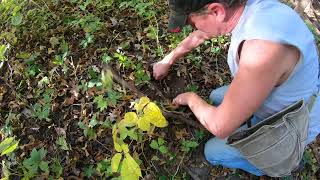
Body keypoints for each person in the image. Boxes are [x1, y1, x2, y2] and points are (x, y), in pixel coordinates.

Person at [153, 0, 320, 176]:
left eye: (192, 22)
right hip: (280, 97)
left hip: (292, 121)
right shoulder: (247, 8)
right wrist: (168, 59)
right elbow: (200, 35)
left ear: (216, 11)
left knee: (212, 152)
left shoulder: (263, 48)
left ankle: (279, 163)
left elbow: (219, 126)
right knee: (217, 96)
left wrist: (189, 98)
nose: (193, 28)